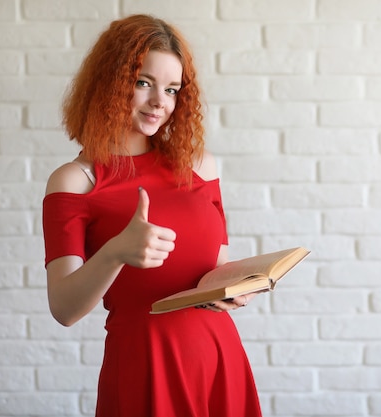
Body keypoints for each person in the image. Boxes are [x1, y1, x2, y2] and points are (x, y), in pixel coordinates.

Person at [42, 14, 262, 416]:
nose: (160, 101)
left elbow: (215, 269)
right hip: (145, 366)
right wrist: (114, 253)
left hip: (218, 357)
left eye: (172, 89)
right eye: (143, 82)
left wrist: (233, 289)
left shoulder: (200, 166)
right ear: (110, 82)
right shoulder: (75, 181)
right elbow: (64, 308)